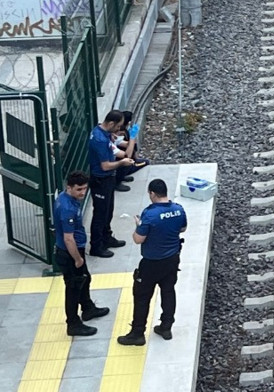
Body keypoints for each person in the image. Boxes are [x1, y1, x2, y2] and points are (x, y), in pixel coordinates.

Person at [117, 179, 188, 346]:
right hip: (172, 260)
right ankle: (166, 327)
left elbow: (138, 239)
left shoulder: (149, 214)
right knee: (168, 291)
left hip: (151, 263)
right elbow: (183, 229)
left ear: (152, 194)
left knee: (142, 297)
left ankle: (137, 333)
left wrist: (138, 226)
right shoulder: (178, 209)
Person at [54, 171, 111, 336]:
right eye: (79, 189)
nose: (83, 192)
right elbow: (68, 239)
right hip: (70, 253)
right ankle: (73, 323)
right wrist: (78, 259)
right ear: (69, 187)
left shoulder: (67, 199)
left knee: (85, 279)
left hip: (73, 251)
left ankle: (88, 308)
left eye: (85, 188)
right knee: (73, 288)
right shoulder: (67, 208)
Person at [88, 111, 135, 258]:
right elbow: (105, 166)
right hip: (101, 179)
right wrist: (121, 163)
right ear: (111, 124)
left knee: (108, 211)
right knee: (100, 214)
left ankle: (106, 237)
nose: (119, 130)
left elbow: (120, 152)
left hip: (107, 180)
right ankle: (96, 246)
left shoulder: (102, 133)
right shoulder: (100, 140)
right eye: (118, 126)